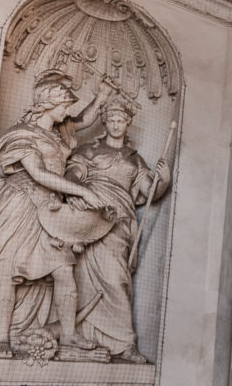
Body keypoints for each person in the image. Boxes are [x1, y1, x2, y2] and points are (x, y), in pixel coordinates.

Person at [0, 71, 110, 359]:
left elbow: (82, 121)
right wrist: (81, 192)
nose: (68, 111)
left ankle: (69, 335)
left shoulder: (58, 136)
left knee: (64, 269)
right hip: (20, 204)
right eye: (65, 105)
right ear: (50, 104)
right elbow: (39, 173)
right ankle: (2, 339)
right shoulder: (23, 134)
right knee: (5, 271)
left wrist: (102, 96)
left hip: (50, 207)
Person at [66, 91, 170, 363]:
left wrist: (163, 180)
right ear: (105, 121)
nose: (114, 124)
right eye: (110, 119)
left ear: (127, 123)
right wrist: (77, 190)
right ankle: (83, 337)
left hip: (120, 223)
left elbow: (148, 192)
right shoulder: (87, 150)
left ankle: (124, 343)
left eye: (120, 120)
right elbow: (72, 174)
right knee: (80, 278)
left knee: (117, 279)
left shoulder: (134, 159)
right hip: (89, 216)